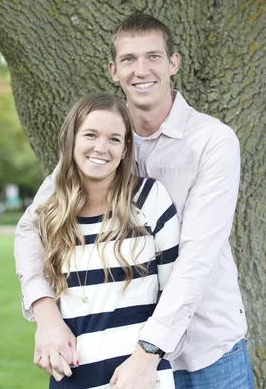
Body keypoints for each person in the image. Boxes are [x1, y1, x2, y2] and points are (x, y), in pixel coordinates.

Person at [14, 13, 255, 389]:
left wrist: (148, 353)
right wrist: (46, 313)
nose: (141, 70)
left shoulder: (213, 141)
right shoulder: (101, 138)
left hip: (207, 350)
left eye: (153, 57)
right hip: (122, 357)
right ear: (113, 70)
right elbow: (32, 227)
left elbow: (196, 258)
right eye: (129, 59)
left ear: (174, 63)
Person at [32, 92, 179, 388]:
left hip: (140, 378)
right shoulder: (52, 212)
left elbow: (175, 294)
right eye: (90, 135)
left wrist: (146, 358)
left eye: (114, 139)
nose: (101, 147)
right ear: (72, 139)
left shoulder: (150, 199)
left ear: (126, 149)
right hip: (73, 378)